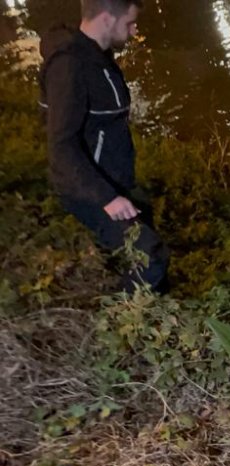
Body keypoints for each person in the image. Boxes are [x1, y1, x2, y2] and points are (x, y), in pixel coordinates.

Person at [39, 0, 169, 293]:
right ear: (108, 19)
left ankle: (158, 305)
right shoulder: (69, 67)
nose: (135, 32)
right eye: (130, 23)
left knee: (143, 220)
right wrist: (107, 198)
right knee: (151, 258)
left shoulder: (96, 55)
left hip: (111, 178)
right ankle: (123, 321)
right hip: (86, 189)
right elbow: (61, 145)